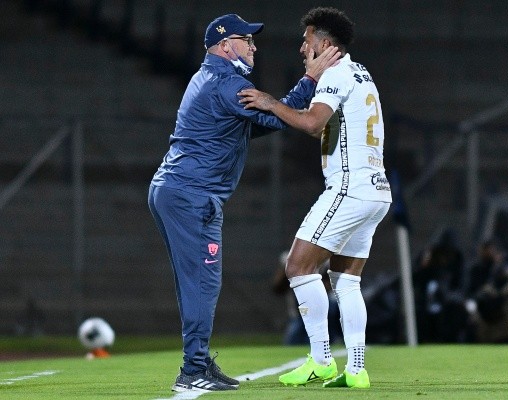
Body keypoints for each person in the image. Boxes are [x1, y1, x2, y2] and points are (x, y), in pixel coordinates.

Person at [148, 13, 340, 392]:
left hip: (177, 189)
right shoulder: (226, 82)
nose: (253, 46)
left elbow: (253, 126)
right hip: (192, 193)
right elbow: (278, 120)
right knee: (202, 283)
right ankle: (193, 369)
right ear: (224, 46)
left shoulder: (210, 77)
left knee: (195, 282)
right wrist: (310, 80)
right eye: (245, 39)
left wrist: (284, 101)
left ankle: (198, 362)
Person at [240, 7, 392, 389]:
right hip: (377, 189)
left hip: (349, 187)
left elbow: (312, 124)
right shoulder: (362, 73)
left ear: (324, 44)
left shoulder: (336, 73)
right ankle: (356, 369)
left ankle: (322, 360)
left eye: (306, 41)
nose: (301, 47)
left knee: (297, 267)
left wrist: (272, 103)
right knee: (346, 280)